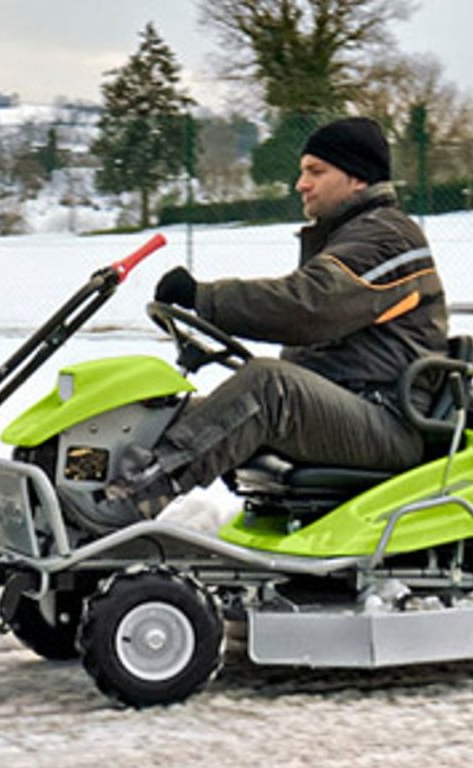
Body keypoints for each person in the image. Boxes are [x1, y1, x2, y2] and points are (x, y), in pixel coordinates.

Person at [69, 116, 448, 531]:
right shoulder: (352, 236)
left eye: (315, 172)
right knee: (167, 412)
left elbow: (309, 307)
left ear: (358, 178)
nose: (301, 184)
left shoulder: (387, 239)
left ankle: (130, 498)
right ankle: (71, 487)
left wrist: (205, 298)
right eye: (303, 171)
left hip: (385, 420)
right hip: (346, 405)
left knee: (268, 388)